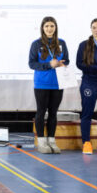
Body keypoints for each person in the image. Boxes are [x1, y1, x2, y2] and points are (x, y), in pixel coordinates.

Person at [28, 16, 69, 154]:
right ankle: (41, 142)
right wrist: (49, 65)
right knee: (41, 112)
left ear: (55, 27)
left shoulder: (62, 43)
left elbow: (67, 60)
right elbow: (32, 64)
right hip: (41, 84)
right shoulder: (36, 44)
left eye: (52, 26)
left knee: (53, 113)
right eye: (46, 26)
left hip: (58, 84)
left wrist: (62, 63)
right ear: (42, 28)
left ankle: (51, 140)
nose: (49, 29)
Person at [76, 18, 97, 155]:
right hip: (89, 82)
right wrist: (95, 68)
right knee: (87, 114)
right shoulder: (84, 45)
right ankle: (86, 143)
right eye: (94, 27)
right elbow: (79, 63)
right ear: (91, 29)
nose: (96, 30)